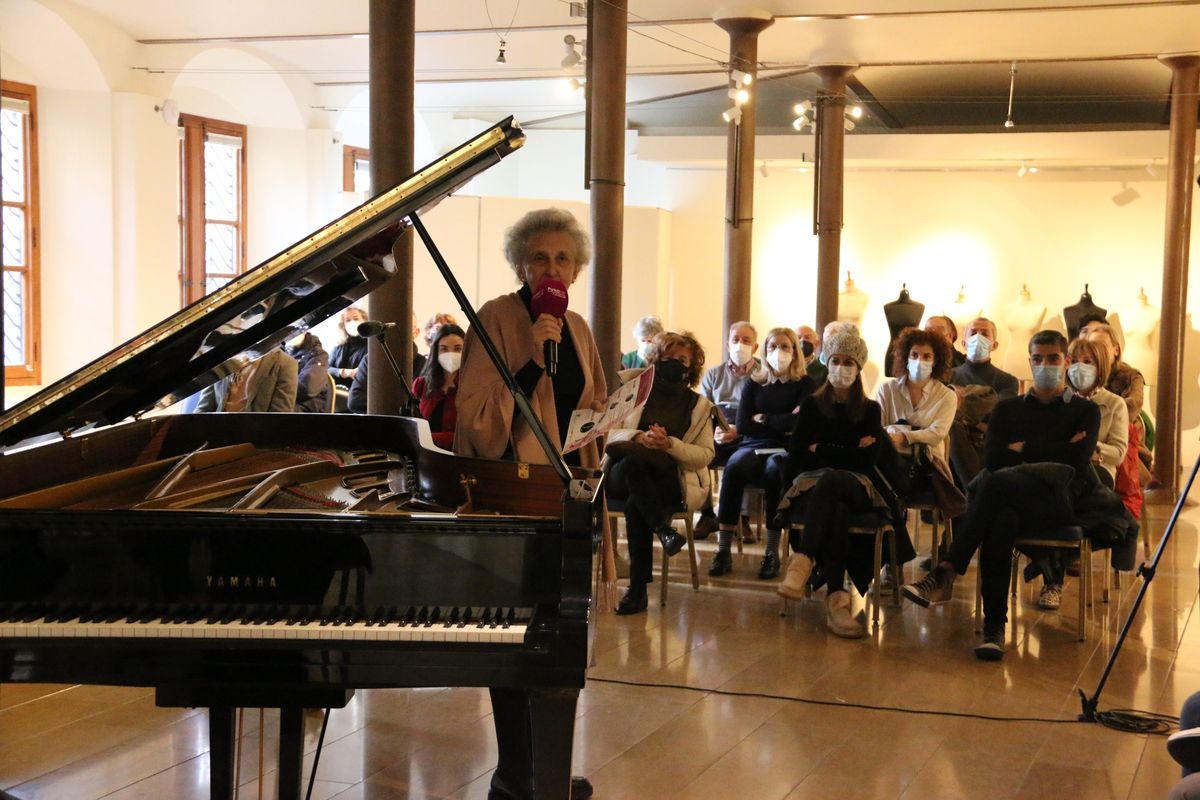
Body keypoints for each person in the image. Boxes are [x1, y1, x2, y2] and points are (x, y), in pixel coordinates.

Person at [452, 208, 604, 800]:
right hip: (513, 497)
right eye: (540, 256)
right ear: (521, 262)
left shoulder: (580, 327)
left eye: (563, 258)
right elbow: (477, 416)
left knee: (557, 641)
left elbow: (584, 408)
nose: (552, 267)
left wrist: (609, 420)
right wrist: (530, 359)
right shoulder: (496, 317)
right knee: (512, 638)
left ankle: (545, 771)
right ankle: (514, 771)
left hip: (565, 498)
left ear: (576, 268)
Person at [901, 330, 1134, 661]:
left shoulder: (1085, 411)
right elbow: (995, 460)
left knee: (994, 487)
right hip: (1017, 500)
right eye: (1037, 359)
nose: (1045, 365)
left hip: (1062, 502)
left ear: (1065, 362)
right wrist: (1057, 449)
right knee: (1001, 518)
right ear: (1030, 362)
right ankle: (994, 628)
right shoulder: (1008, 409)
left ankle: (947, 570)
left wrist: (1025, 448)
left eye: (1053, 358)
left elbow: (1077, 462)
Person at [772, 324, 914, 638]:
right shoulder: (811, 405)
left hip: (859, 487)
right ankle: (837, 602)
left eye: (848, 362)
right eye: (835, 360)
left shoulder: (870, 410)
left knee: (836, 480)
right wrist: (846, 449)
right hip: (813, 486)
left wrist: (821, 448)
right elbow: (797, 456)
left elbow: (866, 461)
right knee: (833, 504)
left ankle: (803, 561)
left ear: (859, 367)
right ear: (826, 362)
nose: (841, 368)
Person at [605, 331, 715, 614]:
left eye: (682, 359)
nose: (674, 363)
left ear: (692, 367)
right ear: (656, 359)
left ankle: (638, 592)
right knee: (632, 465)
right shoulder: (633, 390)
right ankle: (662, 529)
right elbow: (605, 434)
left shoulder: (699, 406)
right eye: (668, 357)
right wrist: (638, 436)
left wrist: (670, 445)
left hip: (668, 479)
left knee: (636, 503)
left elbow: (704, 455)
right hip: (620, 472)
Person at [708, 327, 814, 580]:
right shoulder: (754, 383)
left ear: (795, 351)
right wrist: (785, 419)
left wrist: (764, 417)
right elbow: (744, 425)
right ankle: (723, 550)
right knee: (734, 467)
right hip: (753, 444)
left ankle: (771, 551)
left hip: (786, 449)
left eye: (785, 346)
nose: (779, 352)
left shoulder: (805, 384)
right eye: (773, 347)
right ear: (765, 352)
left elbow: (802, 424)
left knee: (774, 471)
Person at [874, 327, 965, 541]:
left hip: (927, 467)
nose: (919, 360)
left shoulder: (946, 396)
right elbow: (878, 430)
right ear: (905, 357)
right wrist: (912, 432)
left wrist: (904, 435)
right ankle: (893, 553)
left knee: (887, 491)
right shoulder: (886, 390)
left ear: (936, 361)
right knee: (886, 486)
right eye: (914, 355)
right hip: (890, 463)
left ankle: (895, 550)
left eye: (926, 356)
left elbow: (937, 434)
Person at [693, 321, 761, 537]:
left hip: (747, 433)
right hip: (717, 431)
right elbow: (702, 409)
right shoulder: (714, 374)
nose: (740, 344)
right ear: (727, 344)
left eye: (746, 340)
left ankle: (741, 517)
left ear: (756, 347)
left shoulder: (764, 374)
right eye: (735, 340)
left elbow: (764, 413)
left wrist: (739, 430)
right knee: (695, 454)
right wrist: (713, 431)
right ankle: (706, 514)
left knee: (744, 460)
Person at [946, 317, 1020, 490]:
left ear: (994, 345)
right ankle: (978, 493)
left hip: (990, 446)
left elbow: (998, 415)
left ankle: (977, 494)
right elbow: (942, 413)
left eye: (984, 333)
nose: (978, 337)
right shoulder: (947, 376)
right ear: (963, 343)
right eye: (973, 333)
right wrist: (982, 404)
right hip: (951, 450)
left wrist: (960, 399)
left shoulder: (1008, 381)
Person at [1067, 337, 1128, 489]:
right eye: (1074, 362)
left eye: (1087, 362)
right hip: (1064, 464)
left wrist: (1089, 446)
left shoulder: (1115, 403)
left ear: (1099, 367)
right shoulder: (1062, 398)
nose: (1079, 367)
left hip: (1100, 469)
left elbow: (1118, 453)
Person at [411, 323, 465, 449]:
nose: (450, 354)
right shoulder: (421, 385)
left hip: (460, 458)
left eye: (457, 349)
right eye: (444, 349)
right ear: (436, 352)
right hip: (427, 456)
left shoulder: (474, 386)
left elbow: (468, 435)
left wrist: (428, 439)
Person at [196, 349, 299, 413]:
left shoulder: (285, 363)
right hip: (215, 435)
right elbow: (203, 408)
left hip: (252, 440)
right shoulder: (220, 358)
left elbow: (278, 418)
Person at [1082, 322, 1145, 422]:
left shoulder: (1133, 376)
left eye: (1103, 346)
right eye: (1093, 347)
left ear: (1116, 350)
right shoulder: (1081, 372)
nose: (1098, 352)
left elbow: (1132, 405)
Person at [283, 332, 332, 413]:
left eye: (294, 331)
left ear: (304, 331)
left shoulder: (318, 354)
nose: (290, 335)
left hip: (308, 407)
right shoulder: (282, 351)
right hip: (290, 400)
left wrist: (279, 386)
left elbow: (307, 389)